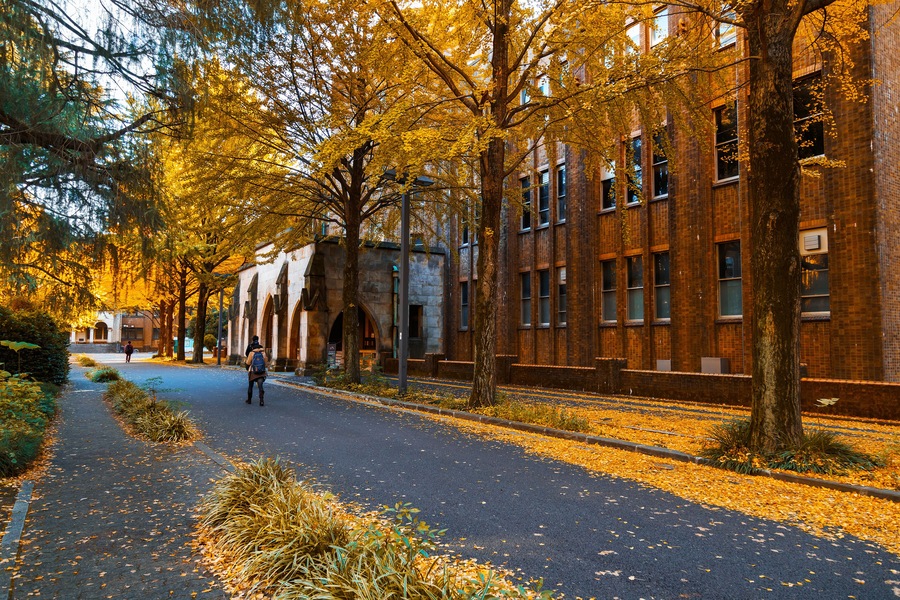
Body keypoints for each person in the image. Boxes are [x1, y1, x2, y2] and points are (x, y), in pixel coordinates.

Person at [244, 335, 268, 406]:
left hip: (253, 371)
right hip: (261, 371)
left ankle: (249, 400)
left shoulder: (252, 352)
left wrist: (247, 368)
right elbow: (266, 362)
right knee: (260, 386)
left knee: (250, 386)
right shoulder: (263, 352)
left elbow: (248, 362)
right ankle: (261, 400)